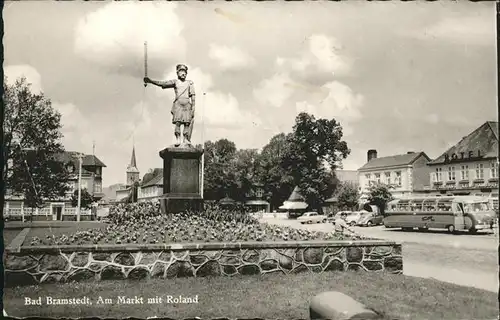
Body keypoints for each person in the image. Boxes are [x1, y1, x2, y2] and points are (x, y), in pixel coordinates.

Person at [144, 64, 196, 146]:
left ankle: (185, 139)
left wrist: (193, 108)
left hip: (187, 105)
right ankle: (178, 139)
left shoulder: (190, 83)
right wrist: (151, 81)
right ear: (177, 73)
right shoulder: (175, 82)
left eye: (185, 72)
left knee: (187, 123)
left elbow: (193, 96)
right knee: (178, 123)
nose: (183, 73)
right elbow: (163, 83)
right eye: (181, 71)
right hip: (178, 104)